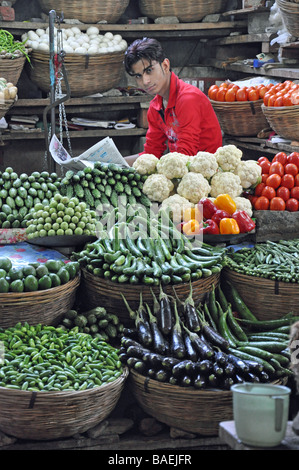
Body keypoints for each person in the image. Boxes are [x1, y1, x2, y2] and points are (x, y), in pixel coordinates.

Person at [123, 37, 222, 166]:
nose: (145, 81)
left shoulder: (188, 99)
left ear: (165, 65)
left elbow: (187, 154)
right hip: (182, 169)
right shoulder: (155, 108)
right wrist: (113, 163)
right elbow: (151, 154)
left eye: (149, 71)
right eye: (138, 76)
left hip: (206, 173)